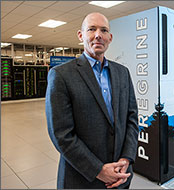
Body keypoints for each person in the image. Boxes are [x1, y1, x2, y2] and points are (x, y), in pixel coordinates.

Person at [45, 12, 138, 189]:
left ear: (110, 38)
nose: (98, 35)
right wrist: (98, 170)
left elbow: (132, 119)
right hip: (81, 177)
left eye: (103, 30)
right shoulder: (61, 75)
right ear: (81, 36)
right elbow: (61, 134)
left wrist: (126, 158)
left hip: (121, 175)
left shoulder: (122, 73)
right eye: (91, 29)